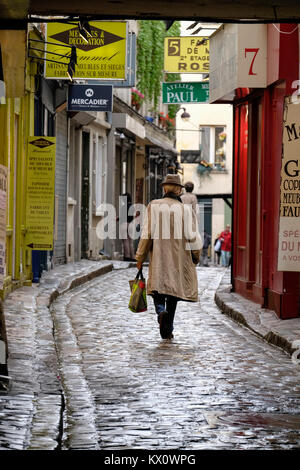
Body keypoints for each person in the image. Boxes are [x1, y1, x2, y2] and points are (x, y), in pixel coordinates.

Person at [135, 174, 203, 339]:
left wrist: (140, 257)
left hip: (159, 257)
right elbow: (193, 236)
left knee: (157, 289)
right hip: (179, 259)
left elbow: (146, 235)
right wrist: (196, 255)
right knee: (173, 293)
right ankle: (167, 329)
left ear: (164, 188)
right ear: (179, 190)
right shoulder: (185, 210)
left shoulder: (154, 206)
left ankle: (160, 311)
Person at [120, 193, 135, 261]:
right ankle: (133, 257)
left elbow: (122, 217)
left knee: (125, 241)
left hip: (124, 224)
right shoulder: (132, 207)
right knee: (131, 242)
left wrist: (118, 218)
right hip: (131, 224)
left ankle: (127, 256)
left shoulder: (123, 207)